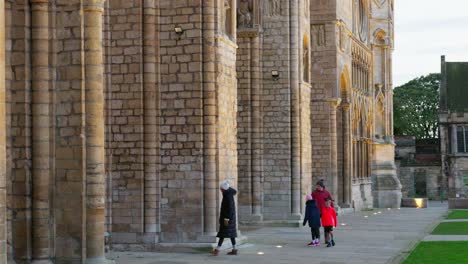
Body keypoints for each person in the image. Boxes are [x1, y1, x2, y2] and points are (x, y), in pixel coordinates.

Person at [211, 181, 238, 256]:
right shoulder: (228, 194)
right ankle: (234, 249)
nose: (220, 190)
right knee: (231, 234)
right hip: (230, 218)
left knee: (222, 234)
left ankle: (217, 250)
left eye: (221, 189)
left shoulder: (228, 196)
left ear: (224, 189)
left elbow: (230, 208)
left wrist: (226, 219)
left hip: (227, 219)